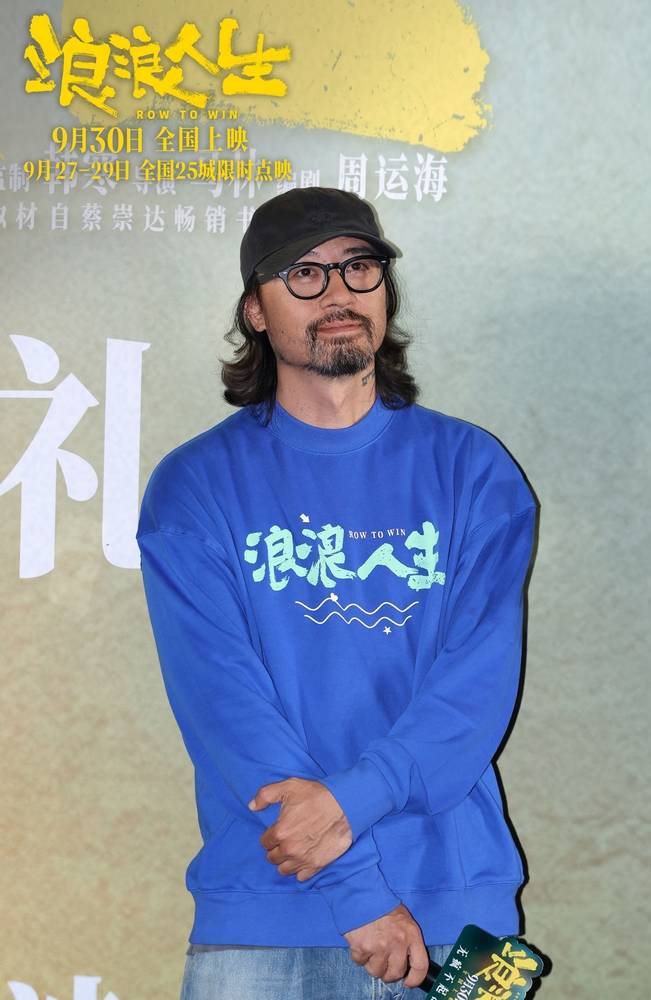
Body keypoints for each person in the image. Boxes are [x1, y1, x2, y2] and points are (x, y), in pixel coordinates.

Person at [136, 186, 538, 1000]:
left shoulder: (472, 471)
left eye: (358, 267)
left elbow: (475, 690)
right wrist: (356, 893)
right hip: (264, 922)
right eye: (303, 274)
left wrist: (356, 802)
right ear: (255, 310)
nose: (339, 293)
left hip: (460, 912)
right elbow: (225, 709)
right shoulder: (196, 486)